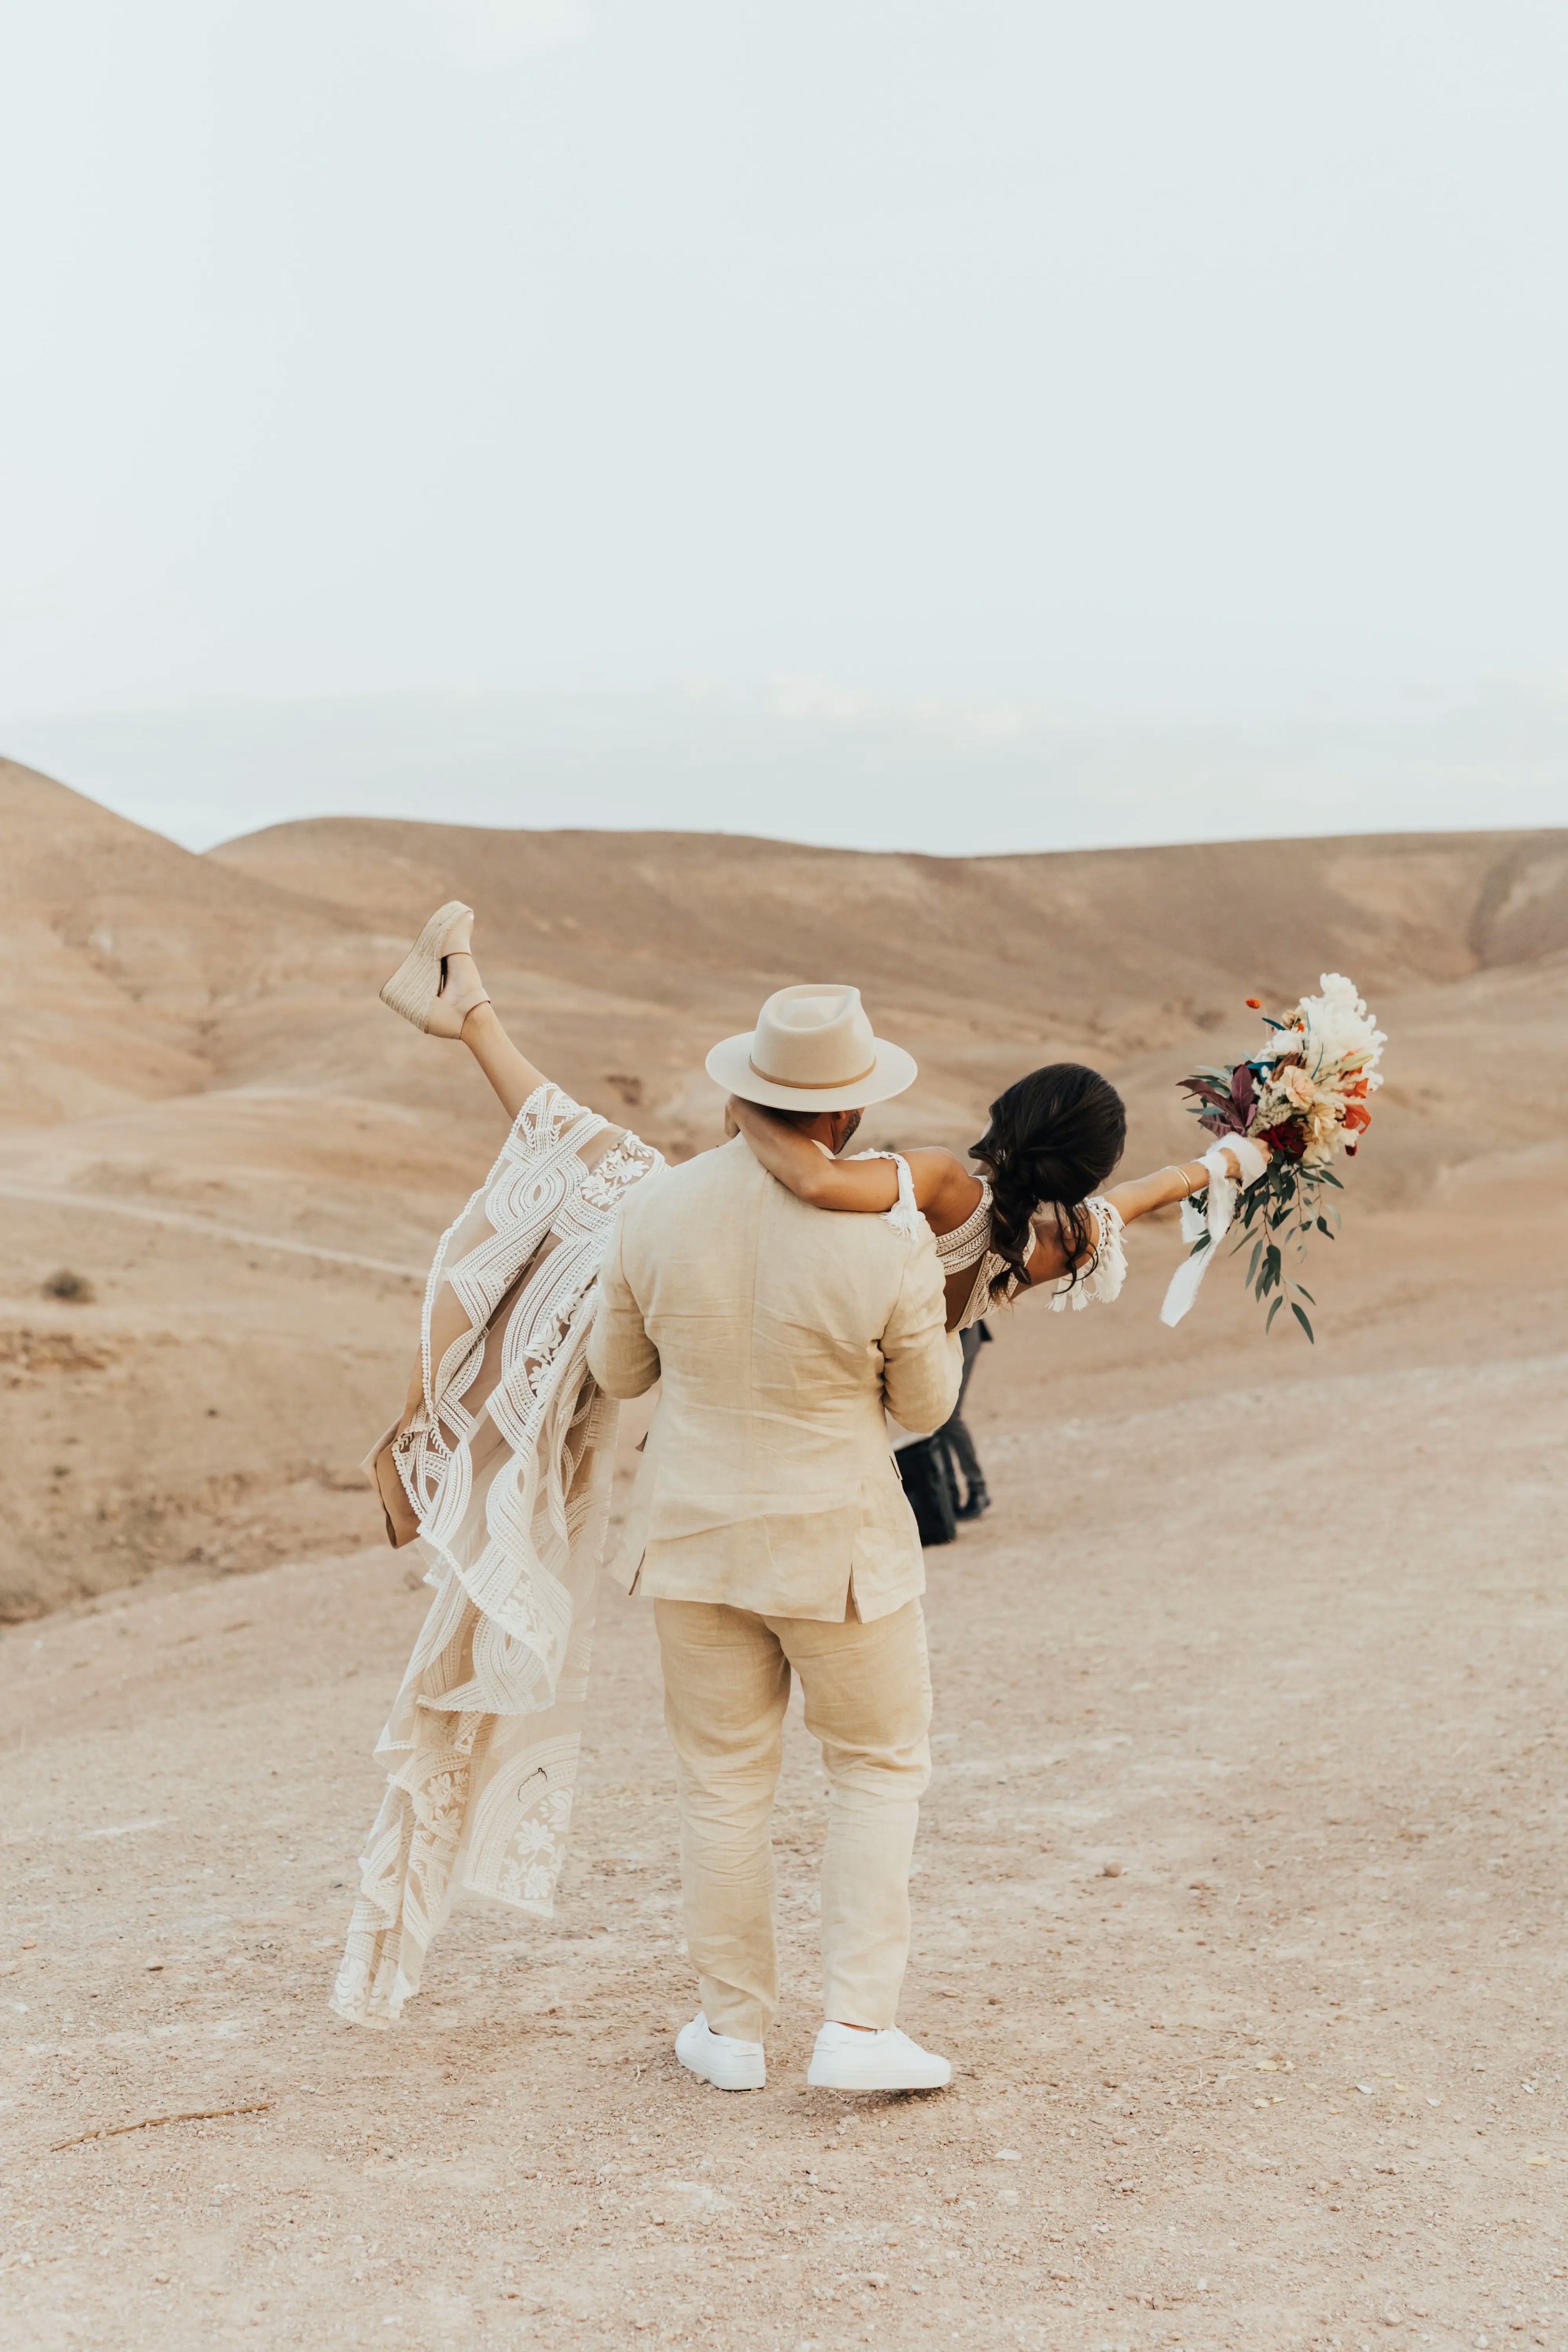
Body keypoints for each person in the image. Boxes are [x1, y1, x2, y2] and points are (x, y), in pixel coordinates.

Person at [332, 907, 962, 2103]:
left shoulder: (656, 1212)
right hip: (841, 1553)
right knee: (877, 1769)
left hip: (689, 1541)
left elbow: (622, 1375)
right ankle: (858, 2030)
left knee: (724, 1784)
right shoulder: (885, 1239)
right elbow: (925, 1405)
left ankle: (729, 2032)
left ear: (746, 1098)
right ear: (844, 1114)